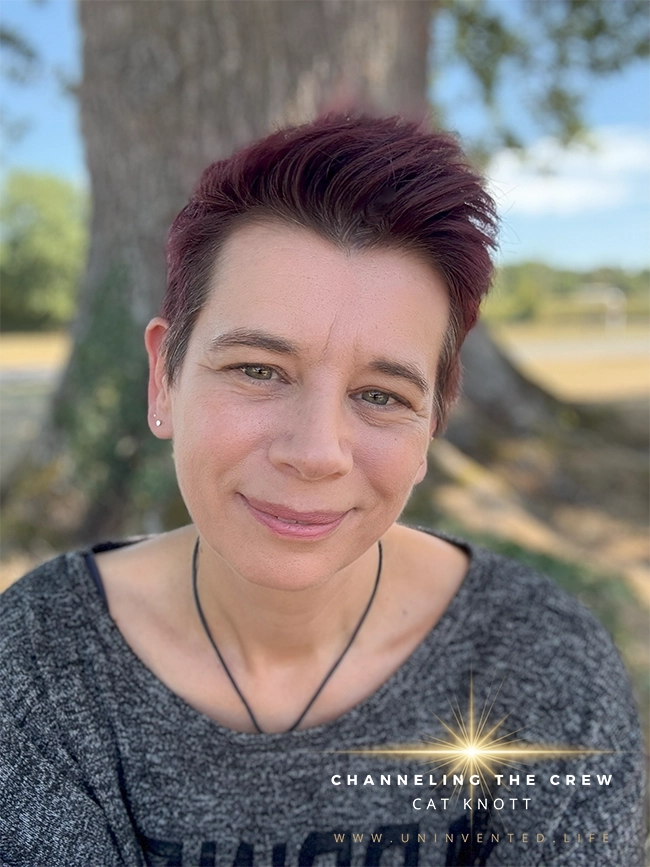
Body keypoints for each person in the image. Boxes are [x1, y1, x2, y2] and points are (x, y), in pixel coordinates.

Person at [0, 114, 645, 867]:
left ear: (431, 425)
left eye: (380, 395)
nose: (314, 453)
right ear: (163, 379)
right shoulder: (38, 663)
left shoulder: (544, 663)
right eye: (258, 370)